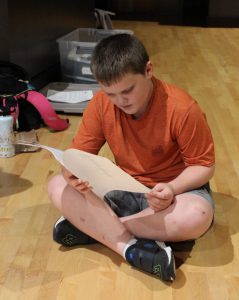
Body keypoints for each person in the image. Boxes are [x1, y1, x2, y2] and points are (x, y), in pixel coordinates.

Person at [47, 33, 215, 282]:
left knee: (197, 216)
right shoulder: (101, 104)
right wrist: (72, 174)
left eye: (127, 91)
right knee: (57, 184)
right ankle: (130, 247)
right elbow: (77, 156)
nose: (120, 101)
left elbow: (204, 166)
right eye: (111, 94)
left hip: (175, 194)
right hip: (124, 191)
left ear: (148, 70)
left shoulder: (182, 108)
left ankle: (95, 228)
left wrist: (170, 188)